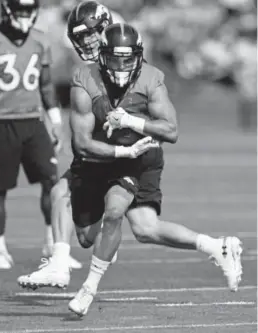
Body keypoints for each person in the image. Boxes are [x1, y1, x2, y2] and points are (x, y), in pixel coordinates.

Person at [19, 22, 243, 318]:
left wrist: (131, 122)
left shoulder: (151, 79)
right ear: (103, 56)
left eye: (128, 59)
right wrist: (121, 148)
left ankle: (86, 287)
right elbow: (82, 144)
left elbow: (171, 130)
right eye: (115, 58)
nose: (121, 66)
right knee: (134, 228)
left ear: (138, 56)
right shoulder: (85, 78)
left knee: (113, 211)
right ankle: (218, 246)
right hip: (107, 155)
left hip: (139, 158)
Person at [17, 0, 136, 288]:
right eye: (82, 37)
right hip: (97, 147)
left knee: (62, 191)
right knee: (84, 236)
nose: (88, 41)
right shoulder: (87, 68)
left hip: (125, 152)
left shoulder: (123, 59)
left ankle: (61, 262)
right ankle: (68, 259)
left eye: (92, 34)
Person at [0, 0, 64, 269]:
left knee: (53, 184)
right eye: (19, 9)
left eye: (28, 10)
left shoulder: (40, 40)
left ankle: (53, 245)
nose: (24, 15)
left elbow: (46, 85)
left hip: (33, 121)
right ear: (7, 9)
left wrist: (55, 120)